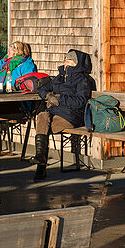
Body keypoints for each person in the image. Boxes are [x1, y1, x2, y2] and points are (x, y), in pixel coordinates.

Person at [33, 49, 95, 181]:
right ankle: (40, 157)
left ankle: (41, 165)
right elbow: (43, 88)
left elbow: (80, 102)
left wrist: (59, 98)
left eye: (71, 59)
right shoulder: (60, 77)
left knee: (44, 127)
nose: (67, 61)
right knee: (42, 116)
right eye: (66, 58)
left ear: (77, 63)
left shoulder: (82, 80)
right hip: (55, 112)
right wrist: (48, 95)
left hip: (71, 116)